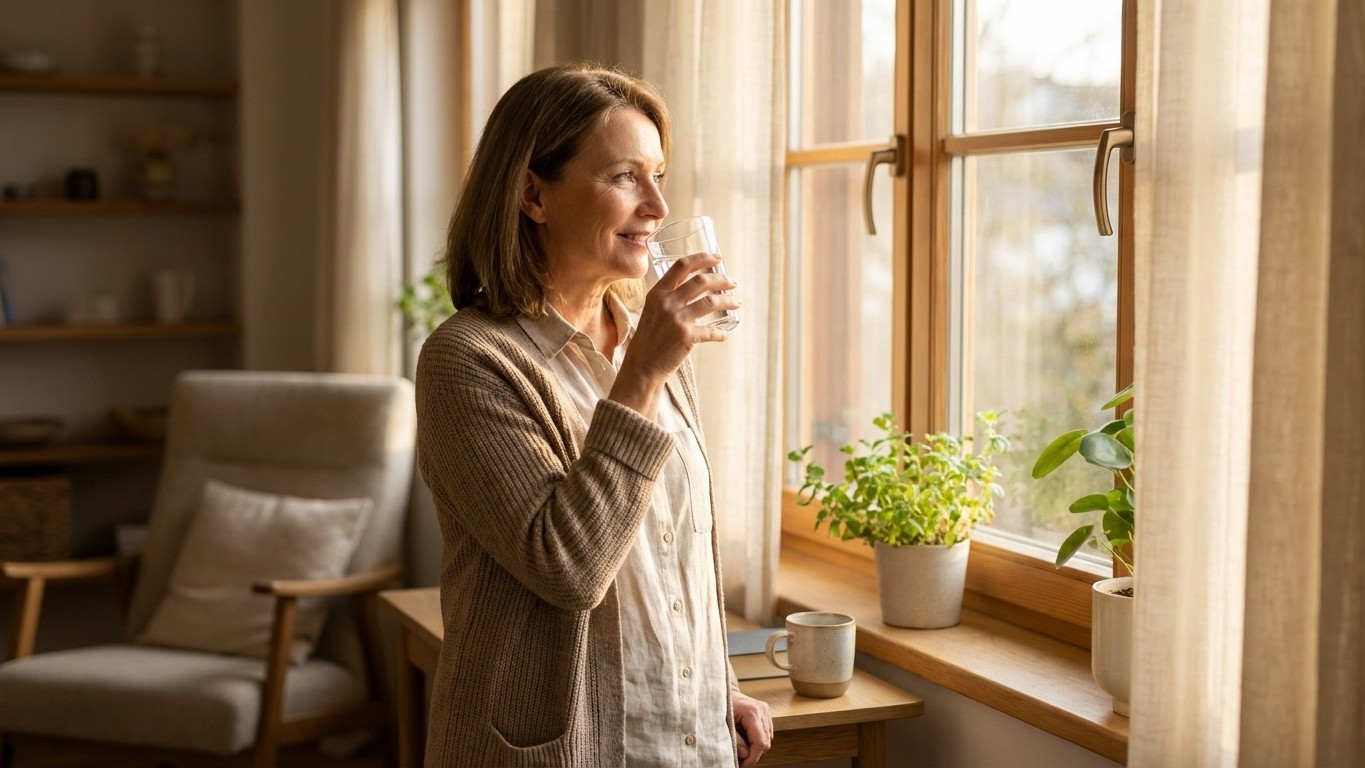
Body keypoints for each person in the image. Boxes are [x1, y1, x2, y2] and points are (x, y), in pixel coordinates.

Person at [415, 62, 774, 767]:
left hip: (686, 742)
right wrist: (641, 373)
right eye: (623, 177)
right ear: (531, 195)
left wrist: (713, 685)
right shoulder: (468, 361)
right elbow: (569, 567)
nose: (657, 208)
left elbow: (671, 551)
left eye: (658, 176)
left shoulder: (648, 340)